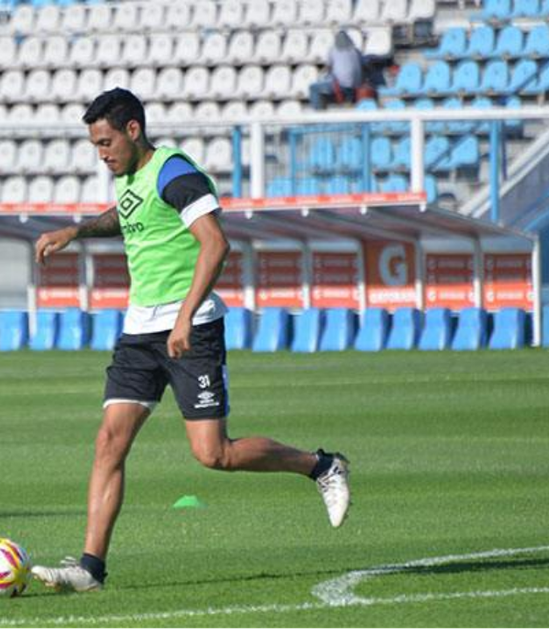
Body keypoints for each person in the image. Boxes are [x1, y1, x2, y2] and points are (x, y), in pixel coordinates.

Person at [29, 88, 351, 593]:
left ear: (134, 130)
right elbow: (129, 217)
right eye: (95, 145)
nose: (102, 153)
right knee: (109, 442)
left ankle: (321, 465)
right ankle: (91, 568)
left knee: (213, 454)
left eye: (107, 141)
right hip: (139, 331)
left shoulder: (177, 173)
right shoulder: (130, 176)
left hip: (191, 327)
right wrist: (77, 231)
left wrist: (182, 318)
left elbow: (215, 243)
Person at [310, 31, 365, 110]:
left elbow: (329, 67)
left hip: (341, 86)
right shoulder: (356, 51)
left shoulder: (333, 50)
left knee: (313, 87)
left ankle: (318, 112)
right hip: (356, 86)